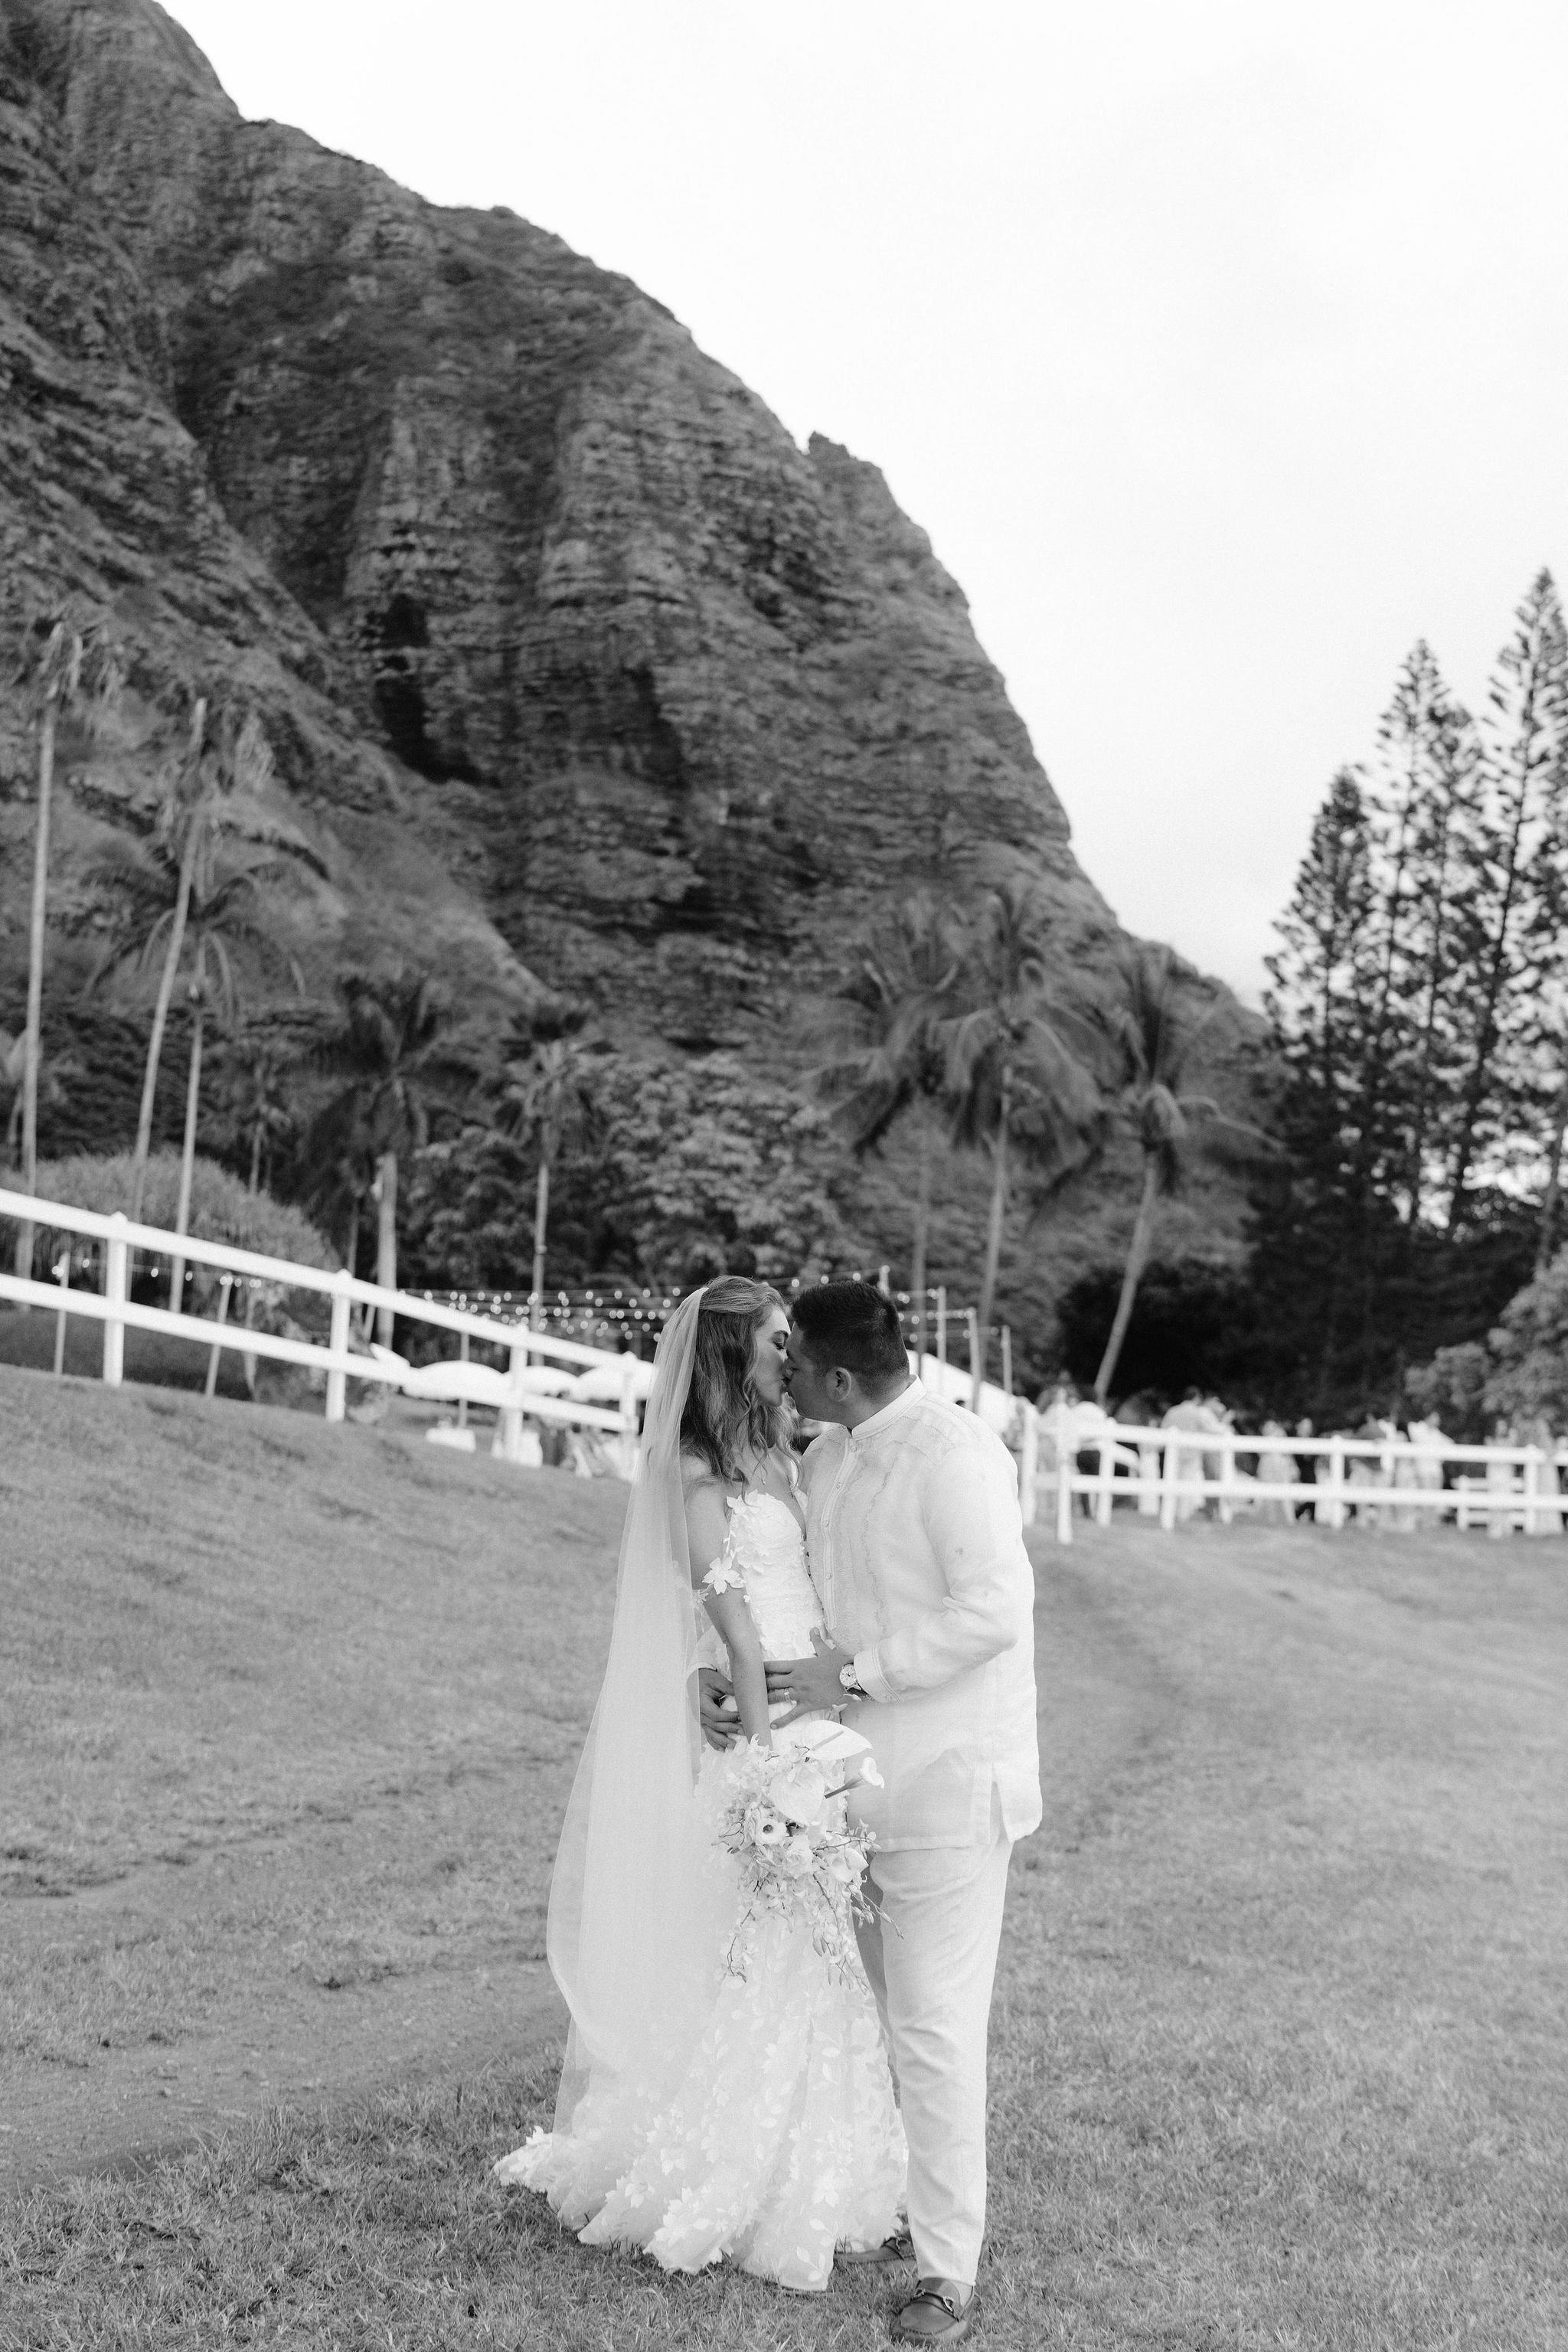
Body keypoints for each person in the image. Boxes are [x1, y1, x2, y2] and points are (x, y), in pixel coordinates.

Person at [492, 1278, 906, 2293]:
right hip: (774, 1742)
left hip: (824, 1713)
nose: (790, 1350)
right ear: (731, 1357)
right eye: (775, 1339)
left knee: (820, 1966)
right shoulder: (695, 1474)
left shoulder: (786, 1457)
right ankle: (740, 2174)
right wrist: (769, 1772)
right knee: (771, 1957)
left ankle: (839, 2170)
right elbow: (728, 1625)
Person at [761, 1279, 1042, 2347]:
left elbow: (995, 1611)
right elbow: (817, 1618)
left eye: (793, 1356)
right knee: (886, 2023)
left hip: (950, 1790)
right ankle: (913, 2215)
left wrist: (862, 1680)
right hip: (849, 1792)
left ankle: (944, 2275)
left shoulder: (956, 1455)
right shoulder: (824, 1455)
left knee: (931, 2029)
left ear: (837, 1375)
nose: (780, 1368)